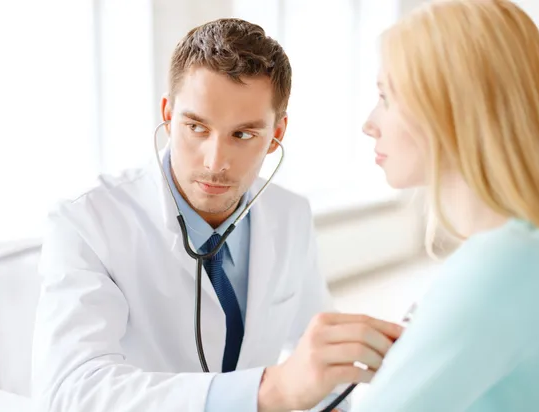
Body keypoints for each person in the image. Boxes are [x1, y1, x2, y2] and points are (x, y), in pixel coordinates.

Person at [31, 18, 403, 412]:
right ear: (168, 115)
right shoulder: (86, 222)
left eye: (243, 135)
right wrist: (268, 392)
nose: (215, 162)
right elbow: (72, 391)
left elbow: (320, 366)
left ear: (277, 134)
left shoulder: (291, 214)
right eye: (196, 127)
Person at [357, 0, 539, 410]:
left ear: (449, 108)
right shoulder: (531, 243)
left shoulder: (501, 265)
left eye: (385, 97)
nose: (369, 123)